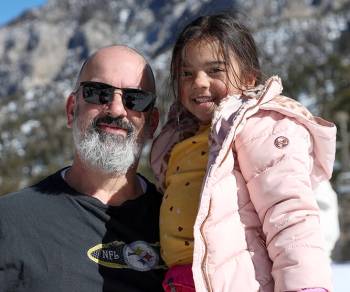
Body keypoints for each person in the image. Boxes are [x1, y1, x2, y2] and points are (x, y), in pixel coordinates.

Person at [150, 13, 336, 292]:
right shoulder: (179, 138)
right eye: (186, 73)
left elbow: (288, 213)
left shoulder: (258, 127)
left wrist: (305, 286)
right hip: (180, 282)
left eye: (215, 71)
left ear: (249, 79)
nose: (198, 82)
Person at [0, 45, 166, 291]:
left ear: (152, 124)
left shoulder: (179, 223)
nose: (117, 109)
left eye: (136, 99)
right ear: (71, 110)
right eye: (98, 93)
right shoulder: (10, 221)